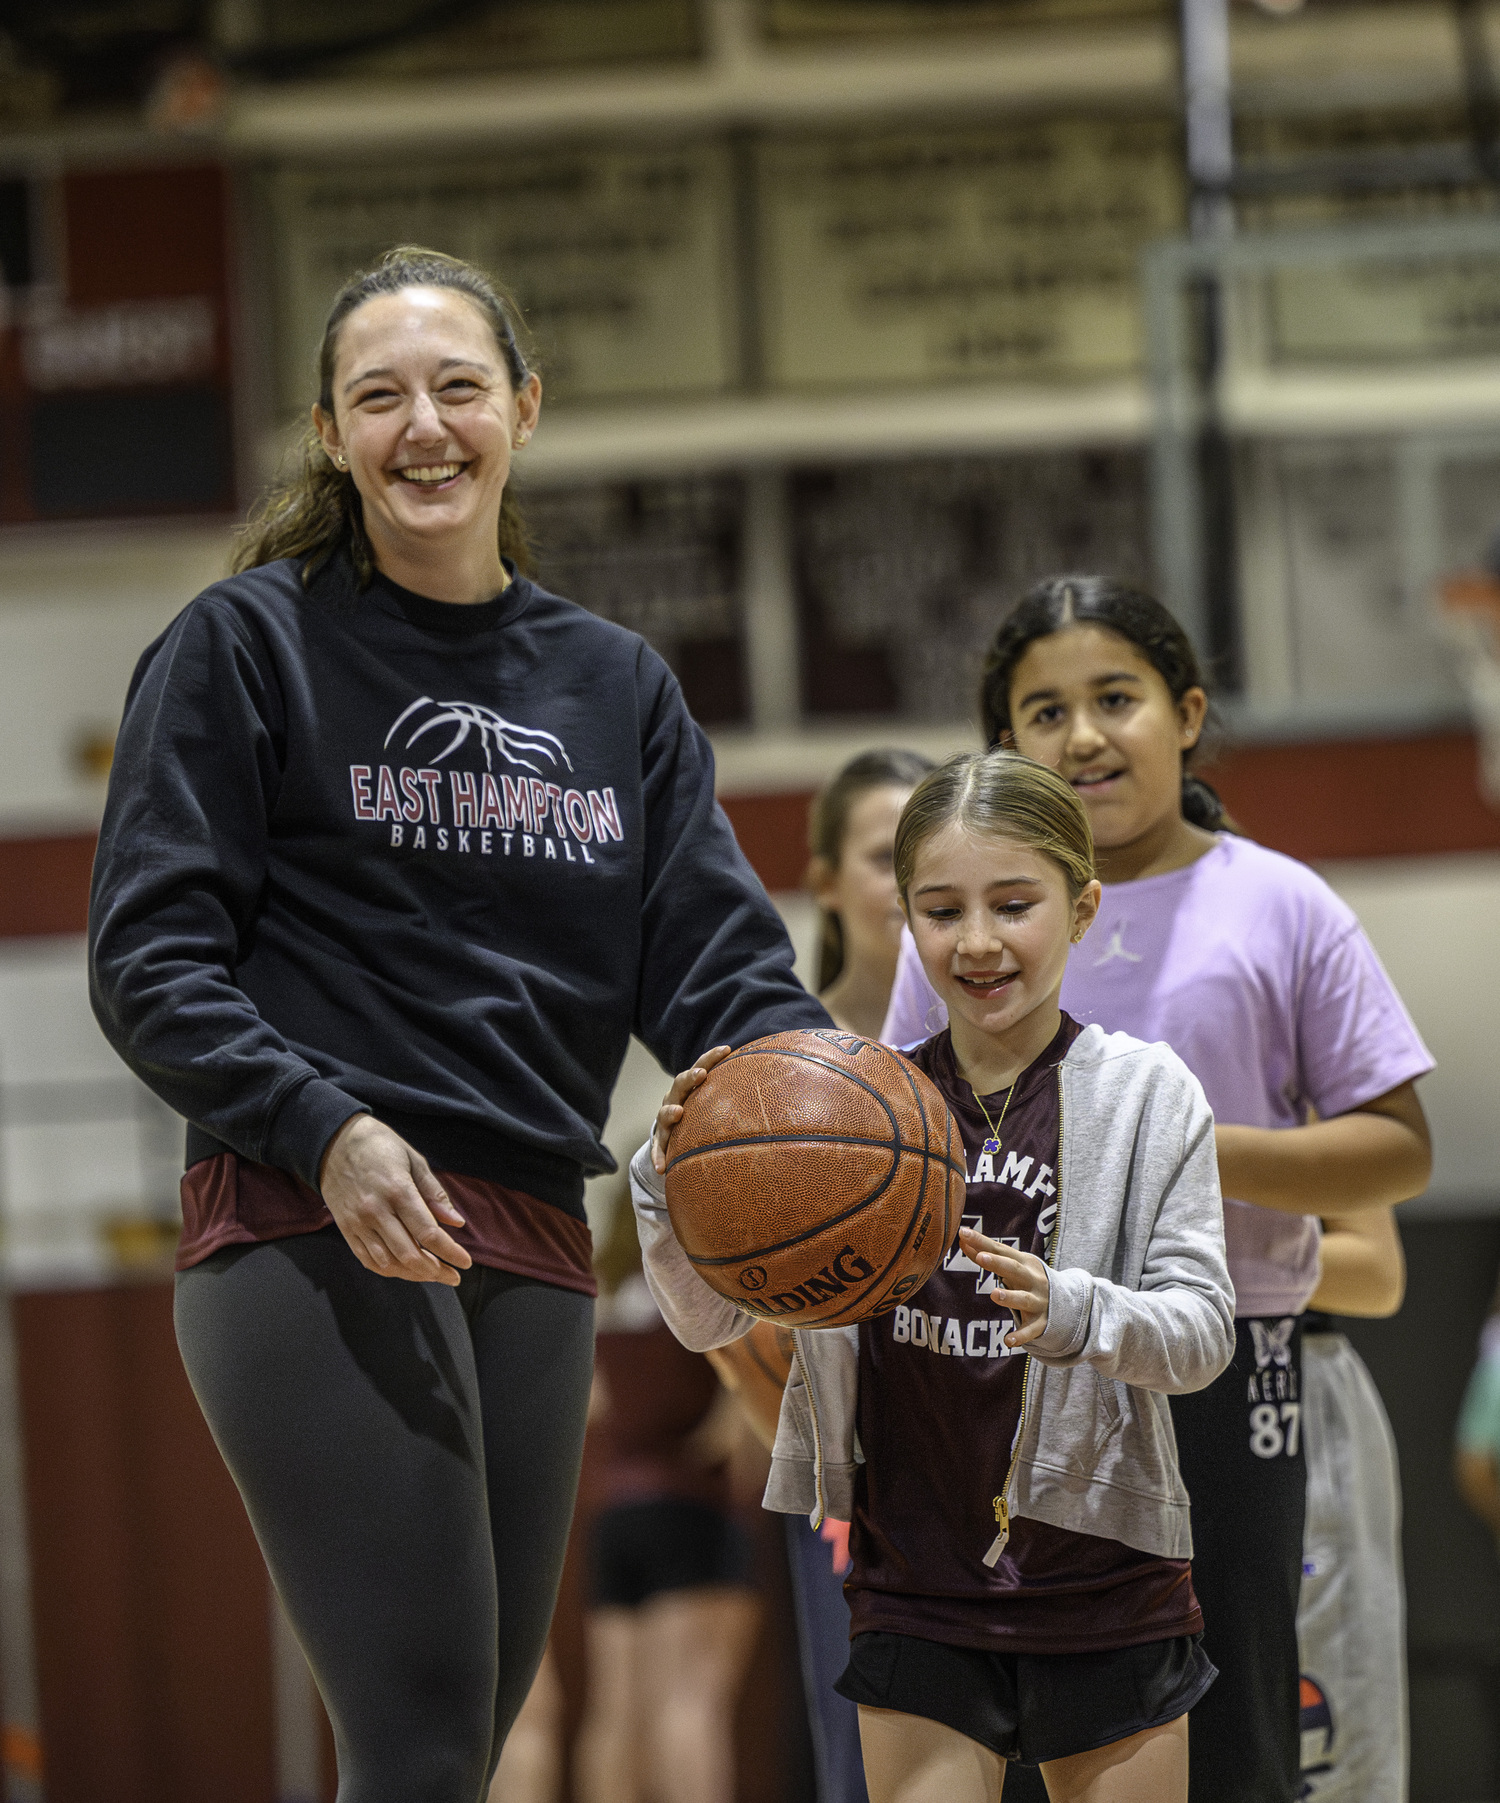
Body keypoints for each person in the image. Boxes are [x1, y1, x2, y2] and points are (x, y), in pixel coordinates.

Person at [86, 245, 830, 1803]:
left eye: (458, 387)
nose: (423, 426)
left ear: (524, 409)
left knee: (463, 1742)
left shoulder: (613, 686)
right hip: (317, 1210)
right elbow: (149, 959)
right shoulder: (246, 646)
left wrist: (830, 1105)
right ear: (331, 432)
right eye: (380, 396)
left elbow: (717, 966)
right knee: (426, 1741)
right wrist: (323, 1127)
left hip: (534, 1233)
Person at [881, 576, 1435, 1803]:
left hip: (1227, 1350)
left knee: (1236, 1728)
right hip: (1009, 1359)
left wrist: (1173, 1146)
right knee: (1032, 1732)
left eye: (1114, 698)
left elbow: (1399, 1147)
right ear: (1004, 744)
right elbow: (905, 1142)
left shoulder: (1279, 902)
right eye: (1042, 711)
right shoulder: (971, 924)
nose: (1081, 734)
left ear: (1186, 714)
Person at [637, 749, 1237, 1802]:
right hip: (914, 1576)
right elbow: (707, 1320)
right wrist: (667, 1173)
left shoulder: (1148, 1095)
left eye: (1014, 904)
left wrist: (1073, 1311)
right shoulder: (852, 1113)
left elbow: (1201, 1334)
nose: (978, 941)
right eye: (941, 909)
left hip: (1104, 1574)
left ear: (1081, 906)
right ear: (905, 920)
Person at [711, 747, 931, 1803]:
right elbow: (726, 1315)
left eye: (923, 853)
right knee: (872, 1772)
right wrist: (823, 1472)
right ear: (825, 881)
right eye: (882, 855)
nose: (906, 880)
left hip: (1016, 1474)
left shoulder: (1009, 1047)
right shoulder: (775, 1066)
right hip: (857, 1481)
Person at [574, 1184, 760, 1803]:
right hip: (689, 1506)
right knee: (690, 1705)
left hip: (616, 1515)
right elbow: (725, 1432)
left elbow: (595, 1411)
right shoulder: (695, 1300)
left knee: (614, 1711)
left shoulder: (608, 1305)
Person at [1296, 1206, 1408, 1803]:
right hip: (1117, 1376)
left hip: (1287, 1382)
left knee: (1321, 1755)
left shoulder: (1283, 1108)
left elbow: (1376, 1269)